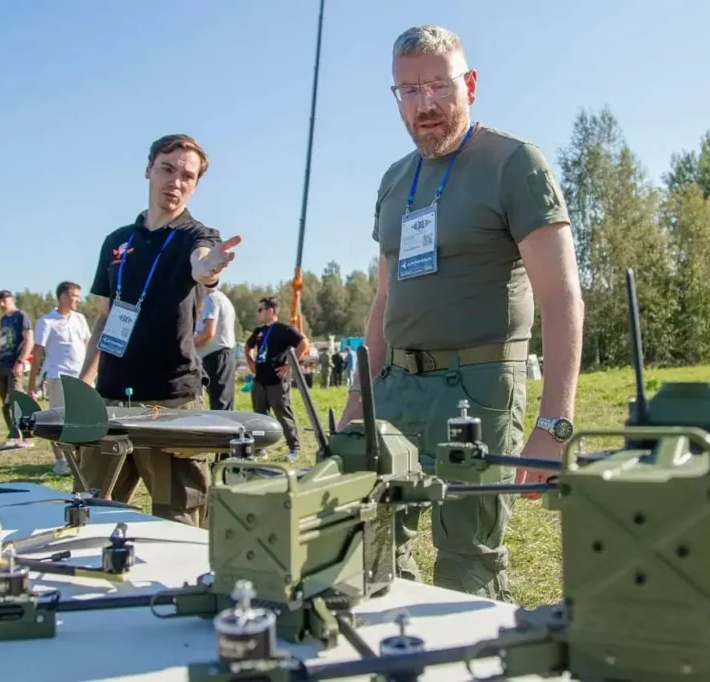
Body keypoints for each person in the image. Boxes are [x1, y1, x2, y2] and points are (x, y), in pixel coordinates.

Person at [337, 25, 583, 602]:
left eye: (438, 86)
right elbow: (383, 299)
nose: (425, 105)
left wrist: (554, 425)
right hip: (395, 386)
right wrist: (358, 398)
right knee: (370, 541)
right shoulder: (394, 181)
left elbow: (562, 297)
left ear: (468, 83)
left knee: (468, 556)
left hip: (476, 389)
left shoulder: (515, 163)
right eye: (408, 91)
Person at [77, 133, 240, 526]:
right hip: (112, 402)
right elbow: (105, 315)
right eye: (168, 169)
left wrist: (207, 268)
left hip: (171, 404)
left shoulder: (197, 237)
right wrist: (85, 379)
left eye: (188, 176)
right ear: (149, 169)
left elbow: (202, 264)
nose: (176, 182)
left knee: (178, 523)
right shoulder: (117, 242)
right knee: (89, 516)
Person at [28, 281, 91, 475]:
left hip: (82, 377)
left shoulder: (80, 319)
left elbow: (89, 345)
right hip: (59, 377)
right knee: (58, 420)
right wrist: (32, 384)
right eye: (74, 296)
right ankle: (61, 460)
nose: (77, 300)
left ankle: (80, 458)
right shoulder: (47, 321)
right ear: (63, 296)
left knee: (83, 419)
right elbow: (37, 353)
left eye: (79, 296)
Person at [244, 297, 308, 461]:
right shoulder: (259, 331)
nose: (257, 313)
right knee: (259, 417)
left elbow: (303, 343)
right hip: (260, 381)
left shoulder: (283, 329)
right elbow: (248, 346)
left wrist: (290, 365)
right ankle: (260, 448)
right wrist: (250, 361)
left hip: (277, 381)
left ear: (270, 311)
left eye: (260, 309)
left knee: (283, 415)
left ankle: (294, 448)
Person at [0, 290, 35, 448]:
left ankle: (27, 436)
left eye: (3, 300)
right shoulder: (3, 319)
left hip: (14, 364)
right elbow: (4, 339)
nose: (1, 304)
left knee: (17, 401)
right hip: (2, 363)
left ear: (11, 299)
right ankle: (13, 435)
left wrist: (20, 361)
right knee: (5, 403)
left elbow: (29, 340)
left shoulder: (21, 316)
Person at [193, 283, 237, 410]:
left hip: (217, 358)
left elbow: (208, 332)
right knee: (221, 405)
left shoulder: (211, 298)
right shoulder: (220, 298)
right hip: (219, 357)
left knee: (220, 407)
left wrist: (187, 344)